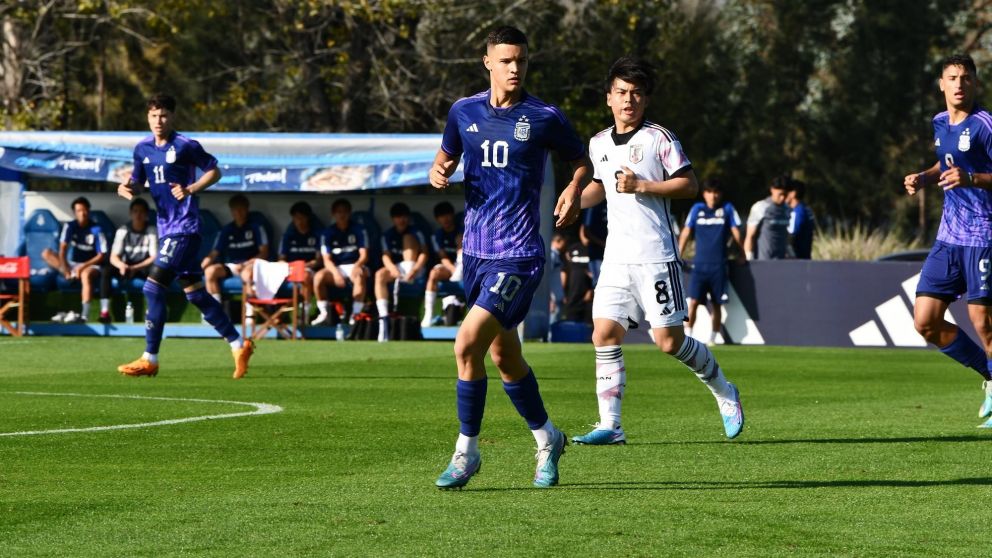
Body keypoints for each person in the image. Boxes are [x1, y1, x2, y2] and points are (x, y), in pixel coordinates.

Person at [428, 25, 590, 489]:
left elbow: (582, 161)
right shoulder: (463, 112)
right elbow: (445, 158)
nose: (515, 68)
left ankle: (467, 453)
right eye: (506, 60)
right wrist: (440, 172)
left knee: (465, 344)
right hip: (475, 252)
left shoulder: (544, 116)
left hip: (518, 255)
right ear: (488, 62)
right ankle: (547, 437)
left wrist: (575, 189)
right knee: (503, 356)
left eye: (521, 60)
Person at [572, 56, 743, 447]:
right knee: (604, 332)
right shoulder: (598, 143)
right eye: (621, 93)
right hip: (616, 257)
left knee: (667, 342)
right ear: (608, 99)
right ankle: (610, 425)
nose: (628, 100)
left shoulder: (658, 139)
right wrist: (573, 202)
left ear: (644, 100)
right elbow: (602, 187)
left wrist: (644, 186)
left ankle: (723, 390)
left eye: (635, 94)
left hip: (656, 254)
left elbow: (689, 185)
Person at [115, 93, 254, 379]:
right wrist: (127, 188)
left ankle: (149, 358)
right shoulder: (142, 149)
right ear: (148, 117)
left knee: (153, 288)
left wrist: (191, 189)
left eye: (164, 115)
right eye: (153, 115)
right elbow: (139, 183)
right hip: (167, 227)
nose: (158, 121)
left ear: (172, 116)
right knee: (196, 294)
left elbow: (214, 171)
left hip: (185, 227)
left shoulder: (186, 145)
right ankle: (240, 345)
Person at [903, 53, 992, 426]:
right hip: (948, 237)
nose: (959, 84)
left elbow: (971, 171)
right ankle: (989, 376)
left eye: (966, 78)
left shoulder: (986, 124)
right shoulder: (939, 122)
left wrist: (972, 180)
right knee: (924, 321)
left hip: (983, 235)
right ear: (941, 84)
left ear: (974, 83)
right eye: (952, 77)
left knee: (983, 322)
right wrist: (924, 177)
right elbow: (948, 161)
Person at [677, 178, 744, 345]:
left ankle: (713, 338)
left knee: (716, 304)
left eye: (716, 193)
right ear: (704, 194)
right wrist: (678, 253)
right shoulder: (697, 209)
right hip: (699, 266)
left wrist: (743, 252)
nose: (712, 196)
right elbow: (686, 232)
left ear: (720, 194)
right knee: (692, 303)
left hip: (719, 266)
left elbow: (736, 231)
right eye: (709, 192)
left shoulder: (727, 209)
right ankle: (689, 336)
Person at [42, 196, 108, 323]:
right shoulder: (70, 226)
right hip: (73, 264)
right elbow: (62, 249)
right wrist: (65, 268)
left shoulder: (97, 229)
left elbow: (101, 256)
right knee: (46, 253)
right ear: (74, 212)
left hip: (91, 265)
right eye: (78, 211)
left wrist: (82, 267)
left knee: (85, 275)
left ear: (88, 211)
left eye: (84, 210)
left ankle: (84, 315)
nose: (82, 213)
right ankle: (69, 275)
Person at [373, 202, 427, 341]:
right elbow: (386, 255)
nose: (401, 220)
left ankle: (408, 272)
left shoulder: (416, 232)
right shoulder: (388, 235)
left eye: (404, 216)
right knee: (380, 275)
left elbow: (424, 253)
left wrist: (414, 269)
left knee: (407, 238)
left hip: (416, 268)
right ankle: (383, 317)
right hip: (398, 268)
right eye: (398, 217)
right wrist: (392, 268)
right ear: (393, 219)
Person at [202, 194, 269, 305]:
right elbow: (214, 253)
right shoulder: (226, 230)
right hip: (233, 266)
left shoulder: (256, 227)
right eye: (235, 210)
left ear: (247, 209)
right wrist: (200, 268)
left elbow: (264, 253)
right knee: (210, 271)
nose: (239, 212)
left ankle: (249, 315)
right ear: (231, 211)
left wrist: (246, 264)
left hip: (251, 265)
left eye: (242, 209)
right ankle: (216, 312)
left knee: (247, 274)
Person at [312, 198, 369, 326]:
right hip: (336, 268)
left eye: (344, 212)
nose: (341, 215)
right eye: (338, 212)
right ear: (333, 214)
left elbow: (364, 255)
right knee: (318, 277)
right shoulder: (327, 233)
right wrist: (336, 274)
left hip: (356, 264)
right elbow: (326, 259)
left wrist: (357, 266)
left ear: (349, 213)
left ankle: (355, 315)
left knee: (359, 275)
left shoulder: (359, 229)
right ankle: (324, 313)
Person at [100, 198, 158, 322]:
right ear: (130, 213)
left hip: (143, 267)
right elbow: (113, 257)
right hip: (126, 266)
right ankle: (104, 312)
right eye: (135, 211)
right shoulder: (123, 230)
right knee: (106, 270)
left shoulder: (151, 230)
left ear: (146, 214)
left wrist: (135, 268)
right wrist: (122, 266)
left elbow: (154, 257)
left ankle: (151, 313)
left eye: (142, 212)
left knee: (157, 271)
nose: (138, 215)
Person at [278, 201, 322, 319]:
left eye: (302, 218)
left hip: (309, 269)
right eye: (296, 218)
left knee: (305, 275)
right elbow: (281, 260)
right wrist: (290, 267)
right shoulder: (288, 236)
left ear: (308, 218)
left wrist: (302, 266)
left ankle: (305, 313)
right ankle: (275, 316)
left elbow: (318, 260)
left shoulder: (317, 235)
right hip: (289, 270)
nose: (299, 221)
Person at [422, 201, 462, 328]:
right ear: (437, 219)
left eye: (448, 215)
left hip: (466, 267)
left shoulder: (462, 230)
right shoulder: (437, 235)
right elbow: (443, 257)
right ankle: (429, 315)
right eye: (441, 216)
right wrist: (454, 271)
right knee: (434, 273)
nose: (446, 219)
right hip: (451, 269)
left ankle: (456, 307)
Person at [743, 176, 790, 260]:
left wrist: (791, 253)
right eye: (780, 194)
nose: (782, 198)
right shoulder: (760, 207)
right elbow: (750, 236)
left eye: (785, 195)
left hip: (781, 261)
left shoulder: (787, 209)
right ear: (772, 190)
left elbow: (786, 235)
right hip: (763, 261)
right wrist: (749, 258)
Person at [562, 237, 593, 322]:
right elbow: (564, 271)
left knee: (588, 328)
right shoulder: (572, 249)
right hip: (572, 297)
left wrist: (592, 290)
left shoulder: (595, 251)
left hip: (588, 298)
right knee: (571, 325)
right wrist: (562, 292)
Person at [579, 202, 607, 285]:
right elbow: (586, 231)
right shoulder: (593, 205)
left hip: (616, 254)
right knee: (600, 284)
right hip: (597, 254)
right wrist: (603, 244)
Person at [787, 178, 815, 259]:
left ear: (793, 193)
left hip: (797, 260)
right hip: (806, 257)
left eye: (786, 192)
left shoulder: (797, 212)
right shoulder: (806, 209)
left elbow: (792, 235)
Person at [548, 232, 566, 323]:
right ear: (558, 241)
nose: (564, 245)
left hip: (556, 296)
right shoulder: (552, 254)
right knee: (552, 326)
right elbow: (547, 276)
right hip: (553, 298)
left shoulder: (555, 254)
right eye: (563, 242)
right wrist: (550, 298)